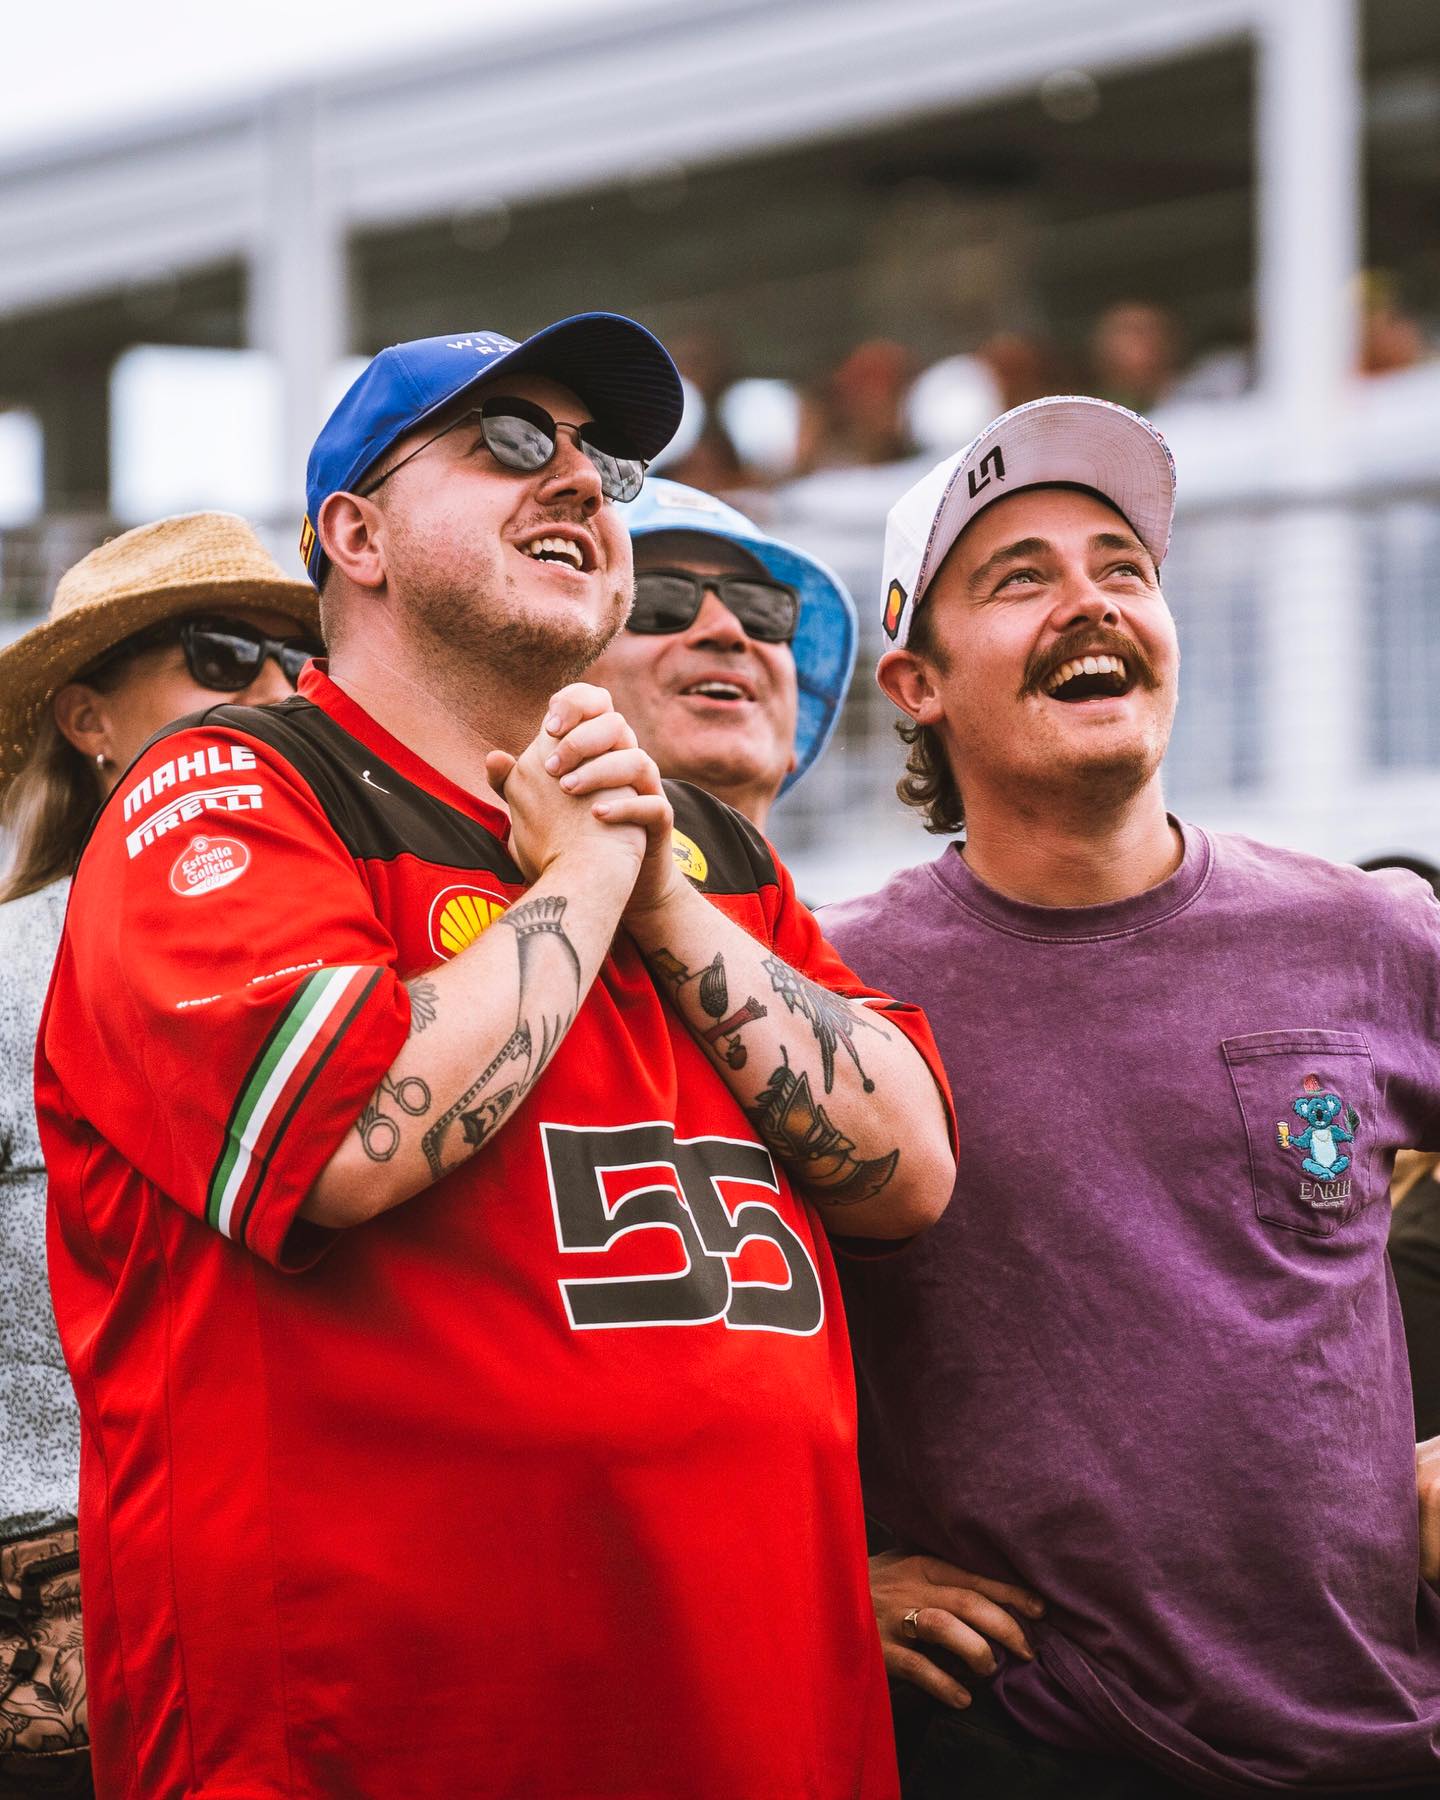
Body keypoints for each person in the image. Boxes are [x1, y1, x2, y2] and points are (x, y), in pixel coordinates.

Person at [36, 314, 956, 1800]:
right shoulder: (225, 786)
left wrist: (654, 888)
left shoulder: (702, 852)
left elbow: (909, 1168)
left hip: (764, 1727)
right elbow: (340, 1141)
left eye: (605, 462)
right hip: (386, 1741)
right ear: (356, 535)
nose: (582, 486)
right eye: (512, 442)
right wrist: (585, 877)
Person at [823, 395, 1440, 1795]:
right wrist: (815, 1575)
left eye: (1123, 570)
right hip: (1036, 1745)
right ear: (914, 681)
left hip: (1385, 1735)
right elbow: (688, 1337)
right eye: (1020, 578)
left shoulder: (1370, 936)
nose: (1088, 604)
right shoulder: (828, 984)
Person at [0, 513, 319, 1797]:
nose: (281, 691)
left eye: (304, 663)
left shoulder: (396, 937)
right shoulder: (12, 967)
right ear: (87, 719)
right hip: (56, 1690)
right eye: (224, 653)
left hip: (327, 1637)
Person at [583, 476, 857, 830]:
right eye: (662, 601)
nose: (728, 630)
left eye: (761, 610)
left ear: (794, 738)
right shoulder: (495, 883)